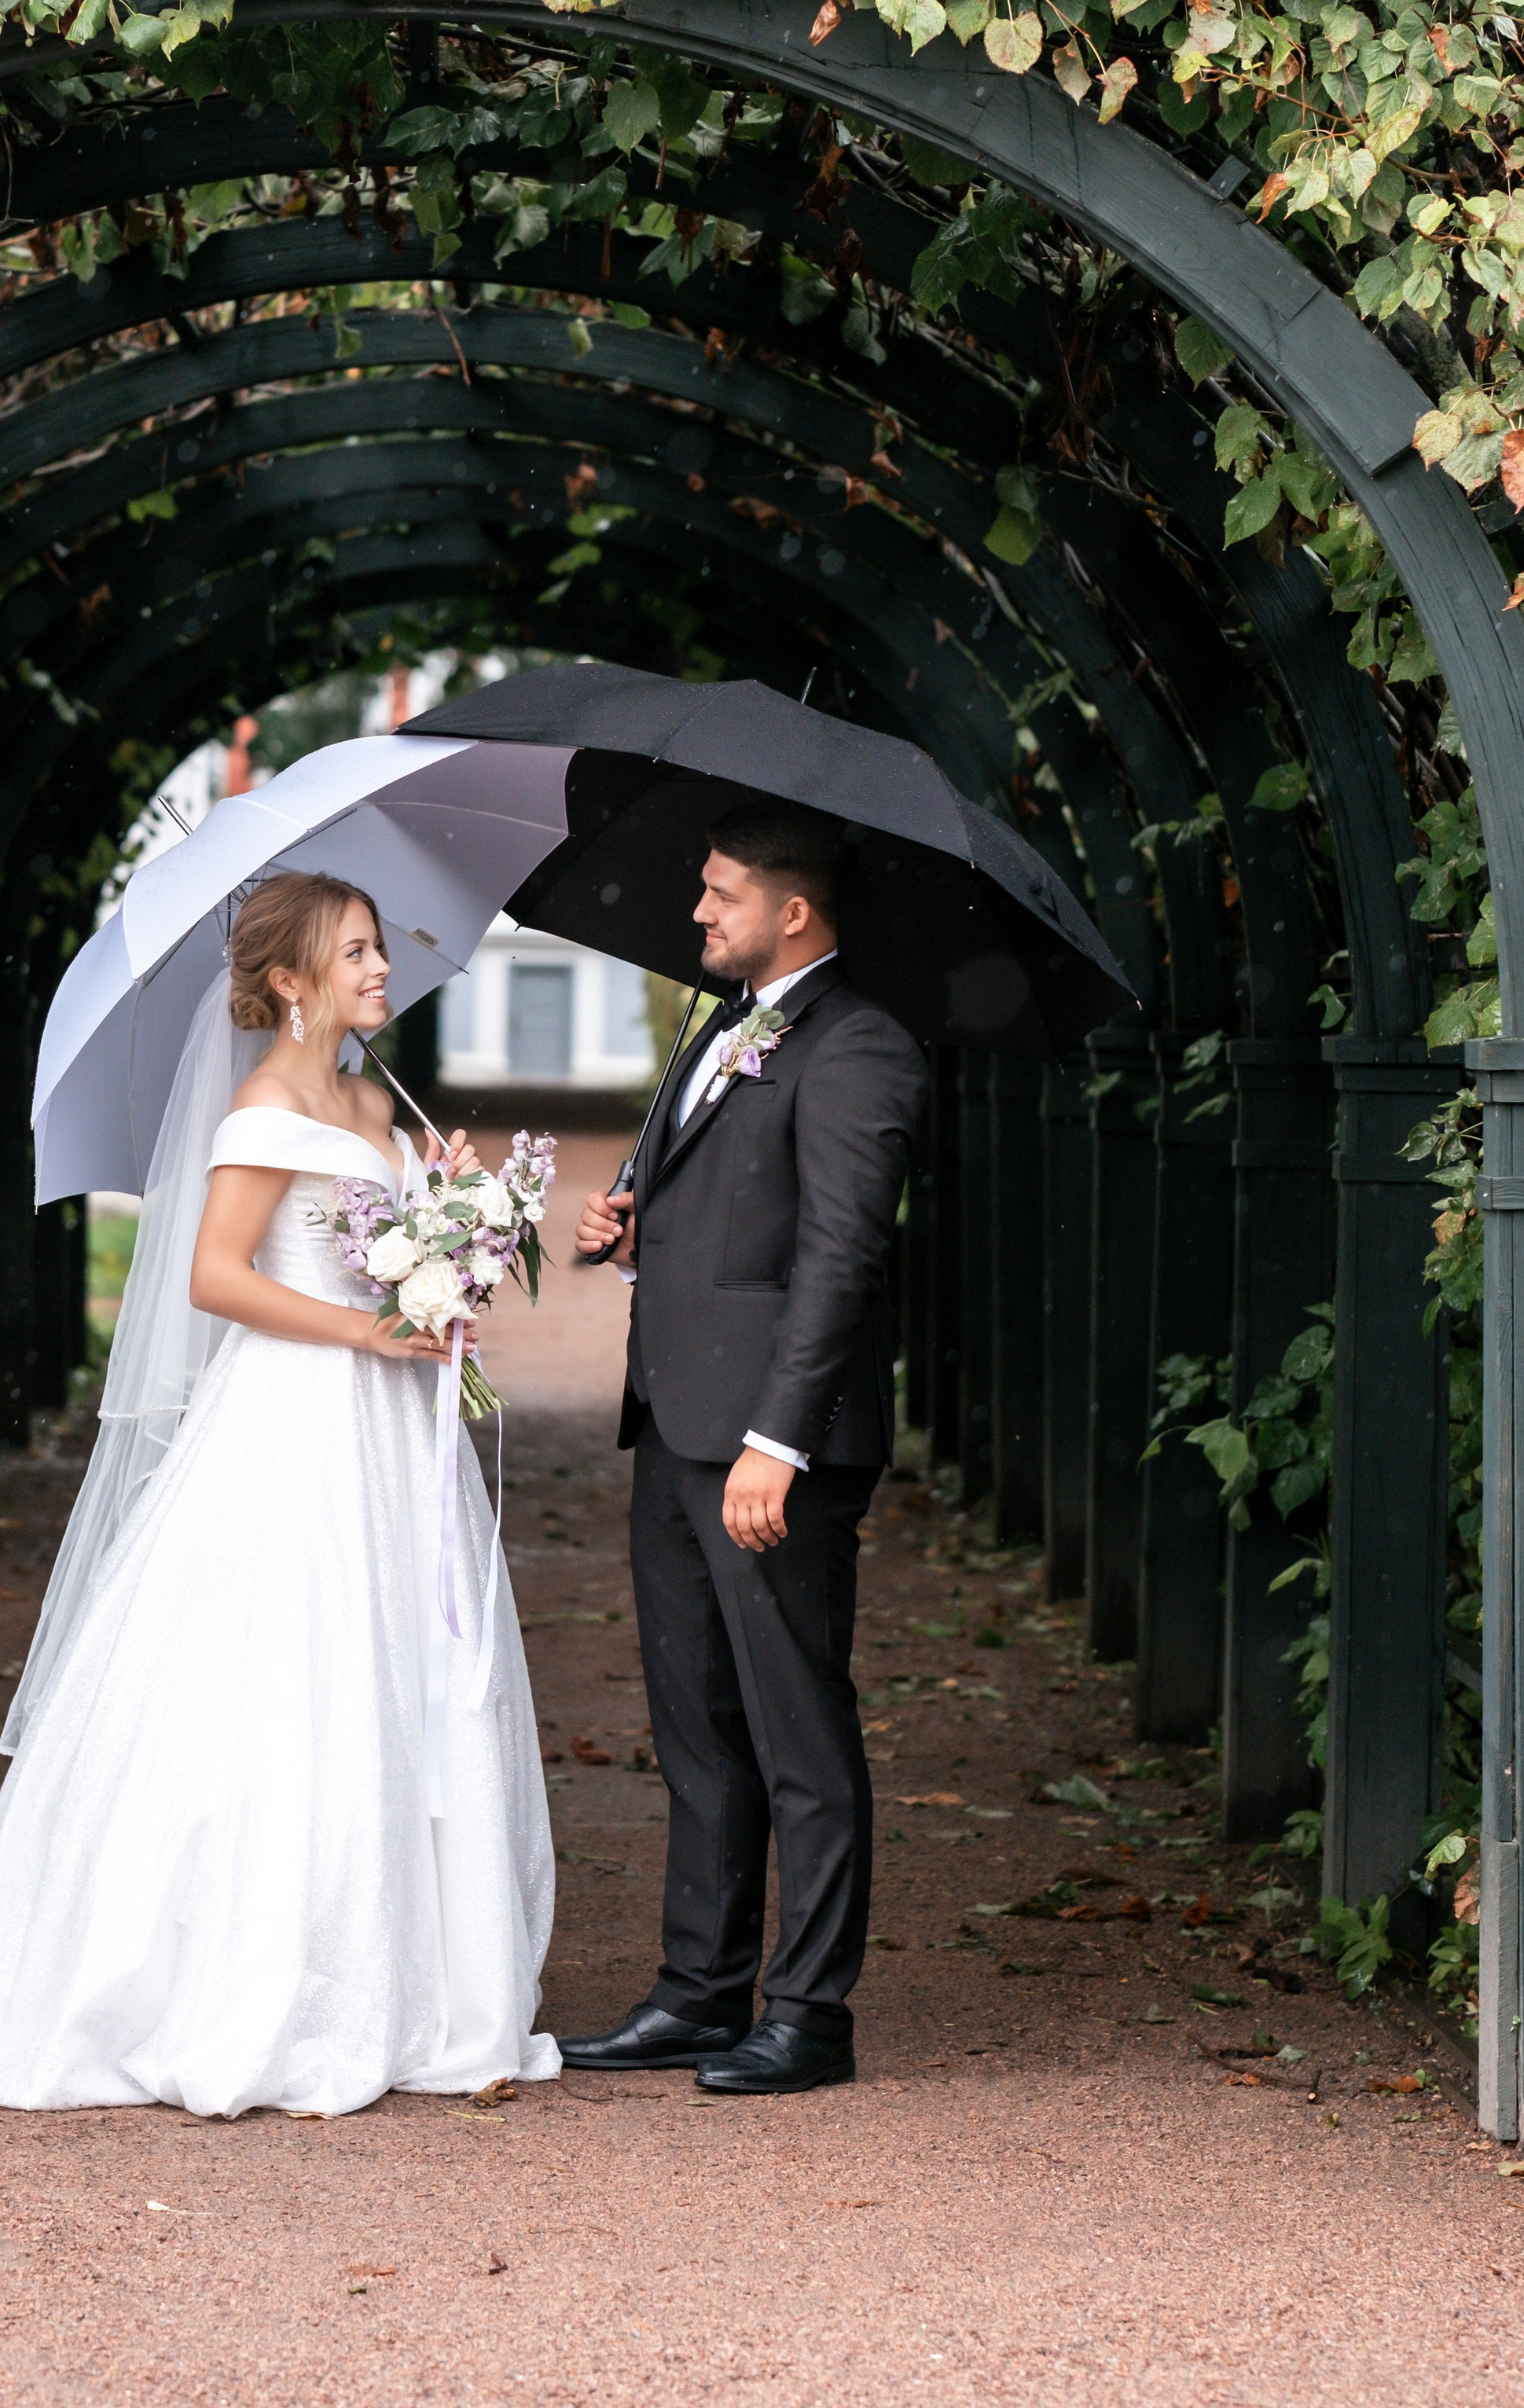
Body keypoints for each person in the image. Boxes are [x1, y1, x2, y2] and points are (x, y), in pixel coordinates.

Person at [0, 872, 558, 2118]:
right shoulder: (260, 1112)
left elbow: (415, 1259)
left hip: (400, 1435)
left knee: (400, 1667)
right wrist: (366, 1334)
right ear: (289, 980)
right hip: (296, 1420)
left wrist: (460, 1210)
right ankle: (249, 1977)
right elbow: (213, 1276)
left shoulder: (374, 1097)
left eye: (378, 949)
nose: (377, 968)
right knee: (287, 1674)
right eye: (351, 953)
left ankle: (414, 1976)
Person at [561, 803, 927, 2095]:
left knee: (797, 1728)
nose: (700, 912)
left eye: (721, 894)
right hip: (673, 1424)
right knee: (699, 1727)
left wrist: (781, 1439)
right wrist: (638, 1227)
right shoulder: (717, 1028)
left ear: (793, 911)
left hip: (772, 1446)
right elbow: (740, 1229)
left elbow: (839, 1257)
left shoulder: (861, 1046)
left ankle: (809, 2012)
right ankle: (699, 1993)